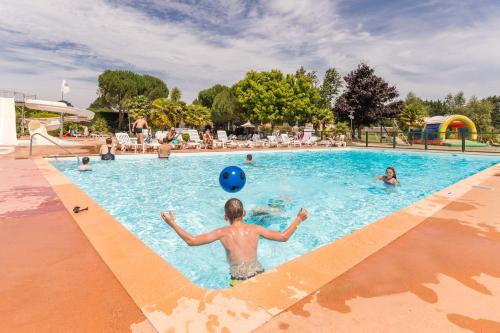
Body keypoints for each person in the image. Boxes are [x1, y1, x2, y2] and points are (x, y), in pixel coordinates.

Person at [160, 198, 308, 287]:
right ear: (244, 213)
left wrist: (172, 224)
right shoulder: (256, 229)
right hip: (259, 274)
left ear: (225, 217)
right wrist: (299, 219)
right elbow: (283, 237)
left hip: (238, 279)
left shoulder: (222, 233)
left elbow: (191, 241)